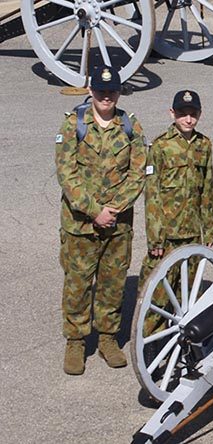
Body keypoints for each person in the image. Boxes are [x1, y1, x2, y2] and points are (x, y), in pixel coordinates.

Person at [55, 65, 146, 375]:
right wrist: (95, 211)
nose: (107, 96)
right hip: (81, 223)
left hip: (118, 224)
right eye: (101, 91)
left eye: (112, 91)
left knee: (112, 282)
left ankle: (108, 338)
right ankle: (76, 341)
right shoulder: (73, 125)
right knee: (78, 283)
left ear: (118, 93)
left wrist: (114, 209)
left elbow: (138, 173)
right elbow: (66, 174)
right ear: (91, 92)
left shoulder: (130, 126)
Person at [137, 90, 213, 336]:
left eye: (193, 114)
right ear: (172, 113)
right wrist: (156, 237)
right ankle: (149, 343)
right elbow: (153, 195)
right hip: (167, 235)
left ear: (199, 114)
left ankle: (177, 345)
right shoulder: (160, 146)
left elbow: (207, 190)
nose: (188, 119)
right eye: (182, 114)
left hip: (192, 234)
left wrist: (209, 230)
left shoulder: (204, 145)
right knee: (158, 295)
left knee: (186, 297)